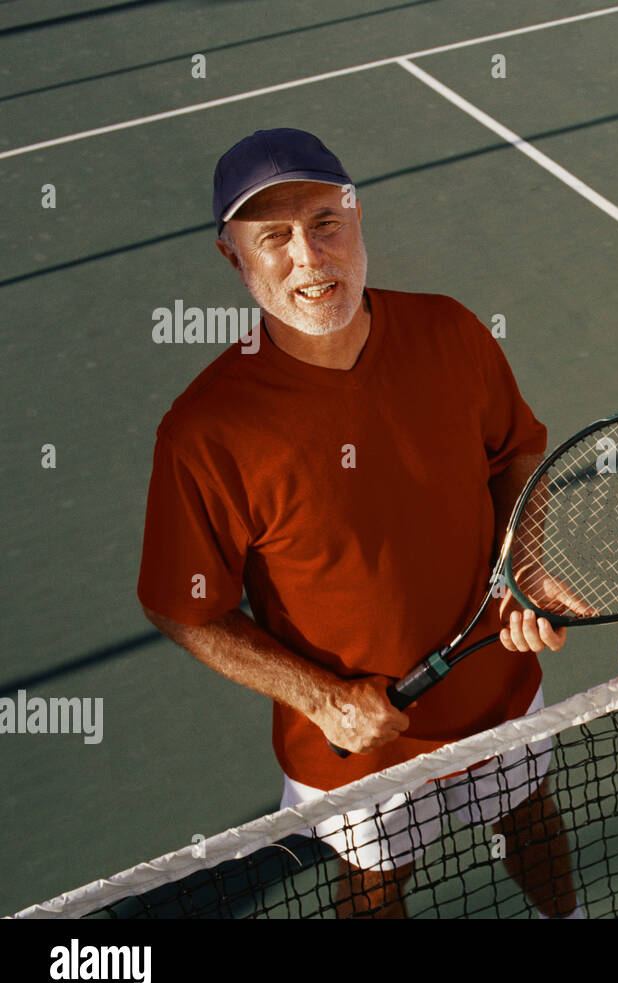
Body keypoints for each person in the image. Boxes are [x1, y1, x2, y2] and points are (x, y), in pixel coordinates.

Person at [137, 128, 581, 918]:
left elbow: (517, 456)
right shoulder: (206, 432)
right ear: (231, 257)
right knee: (375, 888)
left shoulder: (450, 333)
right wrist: (324, 697)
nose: (309, 256)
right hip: (352, 753)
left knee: (529, 820)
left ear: (357, 217)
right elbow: (183, 604)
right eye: (273, 236)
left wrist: (525, 564)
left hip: (500, 693)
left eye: (325, 222)